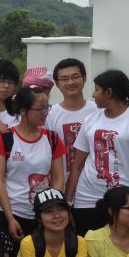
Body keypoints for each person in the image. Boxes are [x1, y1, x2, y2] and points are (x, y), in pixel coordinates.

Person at [0, 86, 65, 257]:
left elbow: (58, 178)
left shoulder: (52, 138)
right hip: (9, 212)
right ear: (23, 110)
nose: (45, 113)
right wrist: (10, 218)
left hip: (41, 215)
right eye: (40, 109)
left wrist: (49, 209)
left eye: (47, 108)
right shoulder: (5, 138)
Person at [65, 69, 129, 235]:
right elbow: (77, 165)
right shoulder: (91, 119)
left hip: (122, 199)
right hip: (87, 197)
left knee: (120, 246)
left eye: (97, 89)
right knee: (89, 245)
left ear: (109, 92)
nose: (93, 94)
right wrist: (68, 202)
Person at [45, 58, 97, 186]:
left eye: (75, 77)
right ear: (57, 84)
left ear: (84, 78)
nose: (70, 82)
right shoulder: (50, 115)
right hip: (61, 185)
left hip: (93, 187)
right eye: (64, 79)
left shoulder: (98, 111)